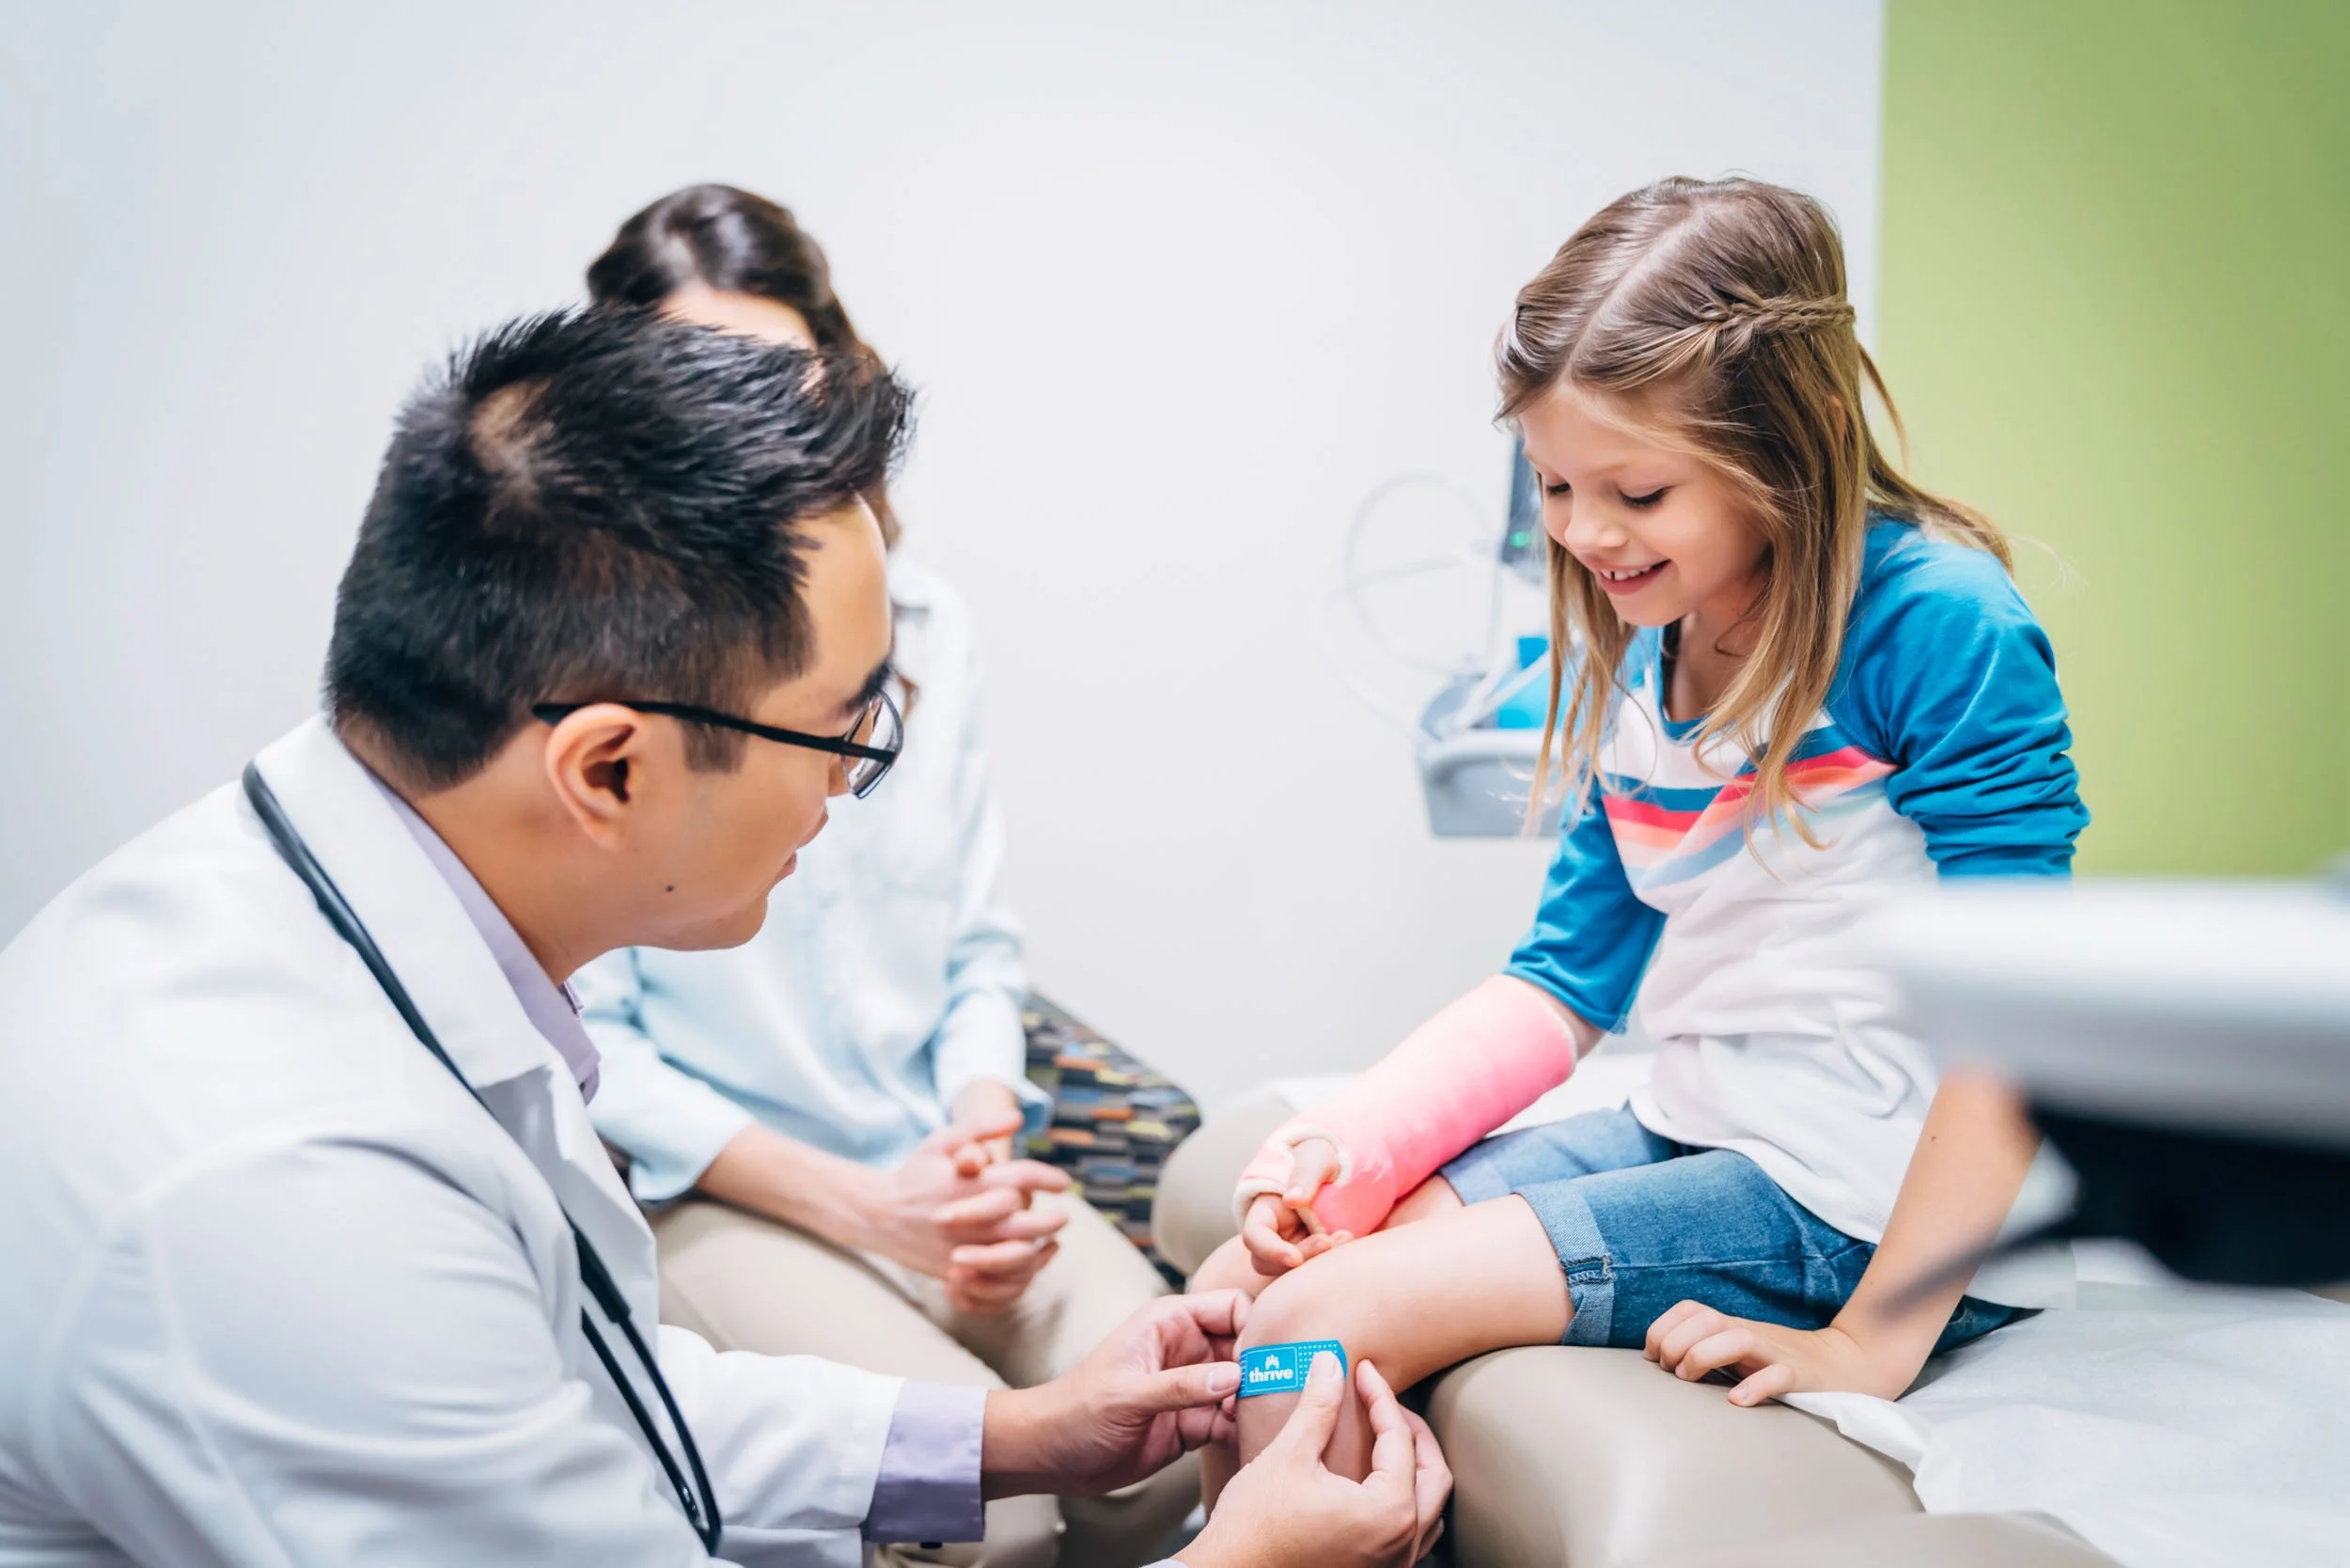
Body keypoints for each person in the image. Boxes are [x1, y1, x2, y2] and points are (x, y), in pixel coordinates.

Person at [0, 305, 1448, 1566]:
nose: (853, 780)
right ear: (609, 769)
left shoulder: (356, 902)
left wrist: (1019, 1434)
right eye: (840, 726)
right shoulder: (288, 1201)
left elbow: (585, 1409)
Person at [1187, 175, 2092, 1490]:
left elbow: (2023, 1024)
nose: (1586, 534)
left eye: (1638, 492)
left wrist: (1870, 1341)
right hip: (1700, 1126)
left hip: (1859, 1195)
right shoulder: (1643, 643)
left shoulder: (1936, 625)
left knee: (1318, 1323)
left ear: (1801, 432)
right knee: (1248, 1280)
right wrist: (1355, 1151)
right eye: (1554, 484)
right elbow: (1561, 983)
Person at [572, 185, 1185, 1568]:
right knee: (997, 1519)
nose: (757, 433)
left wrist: (974, 1142)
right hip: (722, 1191)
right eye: (697, 388)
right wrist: (868, 1212)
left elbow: (976, 942)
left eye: (780, 384)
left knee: (1166, 1449)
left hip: (933, 1147)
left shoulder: (929, 629)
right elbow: (589, 1047)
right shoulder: (592, 666)